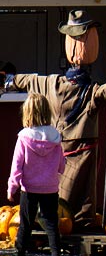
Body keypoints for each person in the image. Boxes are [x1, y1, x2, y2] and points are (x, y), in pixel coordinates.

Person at [1, 9, 106, 230]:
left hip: (56, 151)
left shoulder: (49, 84)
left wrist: (7, 81)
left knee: (56, 202)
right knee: (77, 207)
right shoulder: (92, 91)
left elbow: (22, 80)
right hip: (78, 150)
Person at [7, 92, 65, 256]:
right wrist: (59, 170)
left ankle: (20, 252)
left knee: (26, 223)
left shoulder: (24, 137)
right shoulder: (55, 137)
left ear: (27, 113)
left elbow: (16, 165)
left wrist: (12, 187)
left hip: (29, 188)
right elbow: (61, 164)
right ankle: (56, 252)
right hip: (50, 188)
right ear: (47, 112)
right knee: (52, 222)